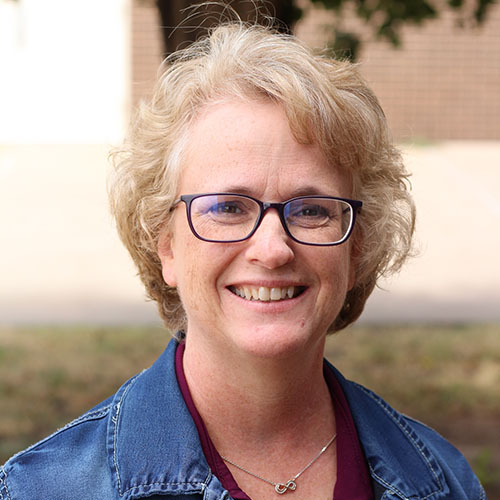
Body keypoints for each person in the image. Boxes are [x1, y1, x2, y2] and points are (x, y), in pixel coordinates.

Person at [0, 20, 486, 500]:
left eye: (312, 209)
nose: (273, 250)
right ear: (164, 242)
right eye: (228, 207)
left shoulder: (444, 482)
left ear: (356, 248)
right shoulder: (40, 490)